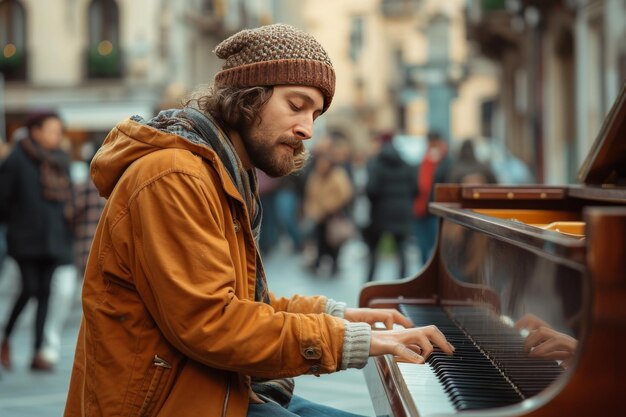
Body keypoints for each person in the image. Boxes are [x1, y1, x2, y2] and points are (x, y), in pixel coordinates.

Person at [63, 24, 454, 417]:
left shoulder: (226, 172)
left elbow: (244, 301)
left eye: (315, 114)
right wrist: (355, 340)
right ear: (247, 97)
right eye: (296, 105)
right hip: (170, 401)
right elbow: (214, 323)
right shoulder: (174, 176)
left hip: (219, 385)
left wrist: (340, 315)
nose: (308, 129)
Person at [0, 111, 74, 372]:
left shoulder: (60, 160)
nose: (56, 136)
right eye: (51, 130)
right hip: (25, 240)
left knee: (45, 294)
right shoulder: (16, 160)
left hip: (54, 240)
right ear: (35, 131)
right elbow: (3, 202)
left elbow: (68, 198)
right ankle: (6, 337)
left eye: (58, 131)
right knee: (29, 288)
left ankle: (37, 352)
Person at [365, 133, 417, 282]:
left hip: (380, 214)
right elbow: (416, 188)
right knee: (401, 251)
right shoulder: (406, 165)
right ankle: (402, 282)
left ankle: (370, 282)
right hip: (402, 213)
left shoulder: (376, 165)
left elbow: (371, 189)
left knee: (374, 251)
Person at [412, 131, 450, 266]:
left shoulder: (445, 161)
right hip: (420, 209)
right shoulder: (424, 160)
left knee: (434, 246)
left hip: (434, 210)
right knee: (422, 247)